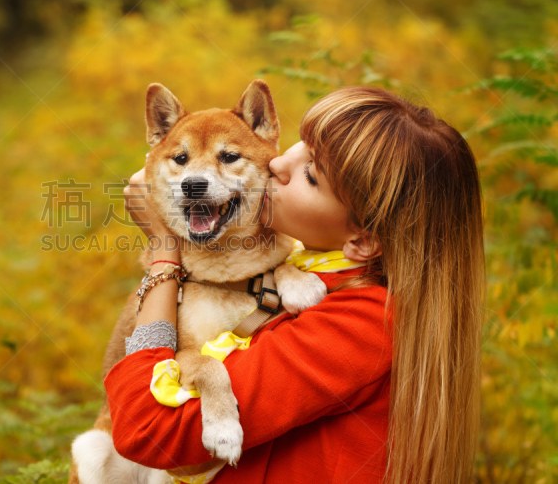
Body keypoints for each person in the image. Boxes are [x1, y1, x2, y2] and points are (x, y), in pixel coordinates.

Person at [107, 86, 485, 484]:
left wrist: (165, 248)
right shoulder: (304, 271)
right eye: (301, 146)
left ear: (363, 239)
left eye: (310, 174)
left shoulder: (362, 324)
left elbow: (149, 432)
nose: (277, 163)